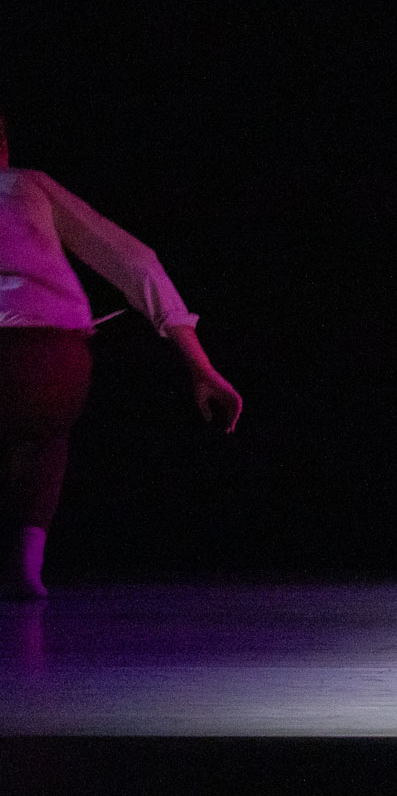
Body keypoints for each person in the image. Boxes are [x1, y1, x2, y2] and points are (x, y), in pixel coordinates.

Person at [0, 112, 242, 599]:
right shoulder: (27, 185)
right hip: (50, 357)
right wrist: (200, 365)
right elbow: (135, 261)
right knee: (45, 438)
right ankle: (27, 561)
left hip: (41, 351)